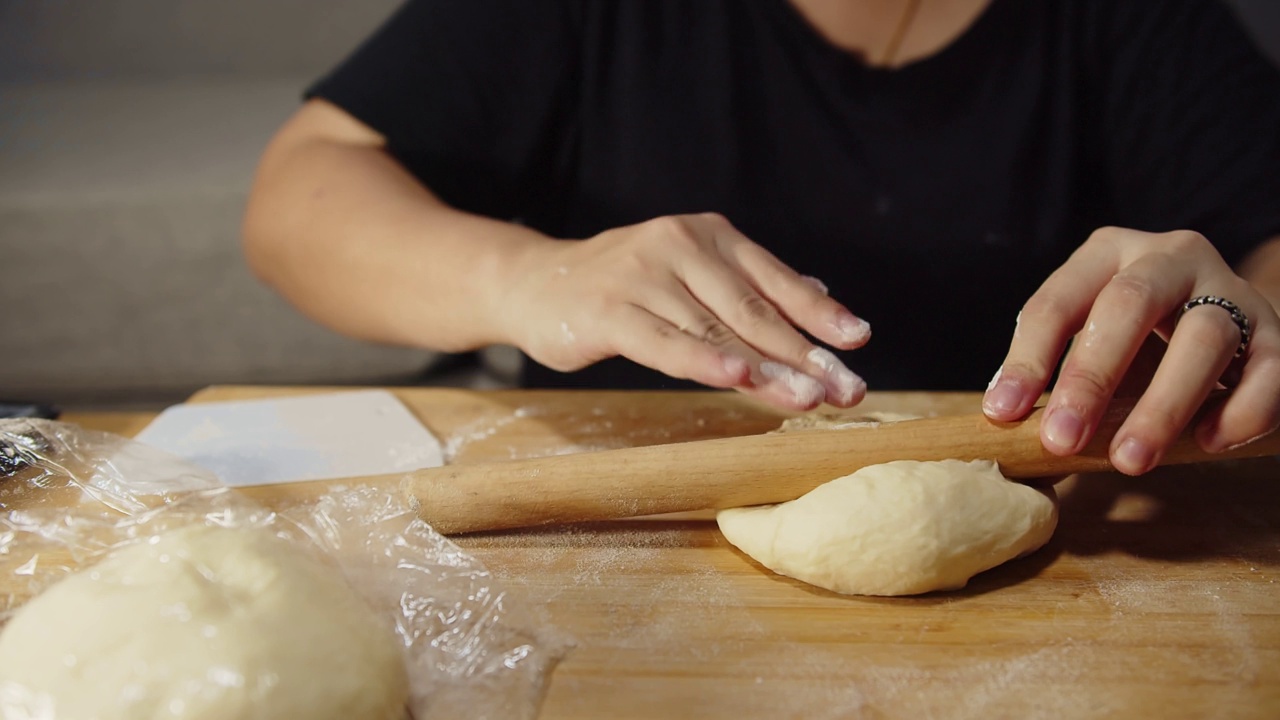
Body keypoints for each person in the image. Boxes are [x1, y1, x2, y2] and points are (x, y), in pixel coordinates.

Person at [242, 0, 1280, 476]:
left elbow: (1262, 249)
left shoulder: (1135, 22)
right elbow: (300, 193)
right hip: (614, 509)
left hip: (1049, 504)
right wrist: (525, 275)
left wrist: (1242, 313)